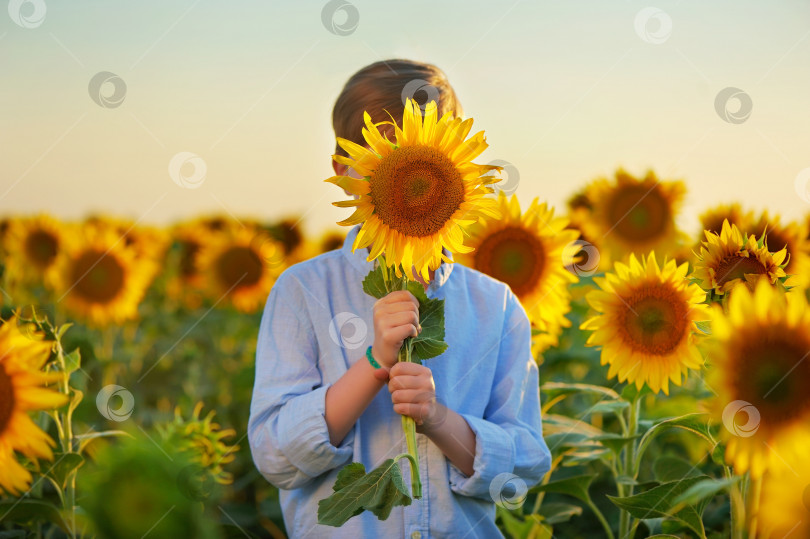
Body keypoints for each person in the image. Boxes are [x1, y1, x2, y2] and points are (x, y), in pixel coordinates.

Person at [247, 59, 551, 538]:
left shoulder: (496, 306)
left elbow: (522, 466)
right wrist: (373, 364)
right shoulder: (304, 291)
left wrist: (438, 418)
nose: (412, 188)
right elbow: (275, 456)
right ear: (343, 171)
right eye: (387, 160)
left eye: (424, 156)